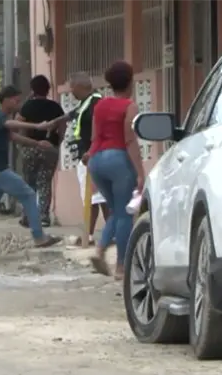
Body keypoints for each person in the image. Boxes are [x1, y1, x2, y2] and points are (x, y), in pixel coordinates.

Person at [0, 85, 62, 265]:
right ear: (6, 100)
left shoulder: (1, 120)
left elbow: (13, 137)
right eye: (16, 101)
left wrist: (37, 143)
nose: (18, 104)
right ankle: (39, 236)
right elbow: (10, 126)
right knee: (28, 194)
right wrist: (37, 125)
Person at [85, 60, 144, 279]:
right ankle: (121, 267)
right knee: (125, 214)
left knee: (117, 210)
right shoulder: (130, 106)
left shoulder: (99, 105)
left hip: (97, 160)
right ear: (130, 82)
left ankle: (100, 250)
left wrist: (91, 170)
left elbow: (93, 138)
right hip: (118, 159)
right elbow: (130, 140)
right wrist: (140, 172)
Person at [65, 72, 110, 245]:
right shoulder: (85, 104)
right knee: (94, 198)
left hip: (92, 157)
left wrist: (91, 150)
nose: (70, 91)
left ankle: (97, 235)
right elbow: (72, 115)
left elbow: (99, 130)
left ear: (80, 86)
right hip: (86, 158)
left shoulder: (95, 103)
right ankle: (90, 235)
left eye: (72, 87)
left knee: (98, 198)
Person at [15, 75, 64, 231]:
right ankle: (43, 216)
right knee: (45, 183)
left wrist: (22, 143)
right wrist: (57, 143)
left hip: (30, 147)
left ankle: (27, 216)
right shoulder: (55, 107)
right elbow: (62, 127)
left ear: (32, 90)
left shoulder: (27, 106)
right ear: (48, 89)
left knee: (29, 183)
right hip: (49, 148)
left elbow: (18, 124)